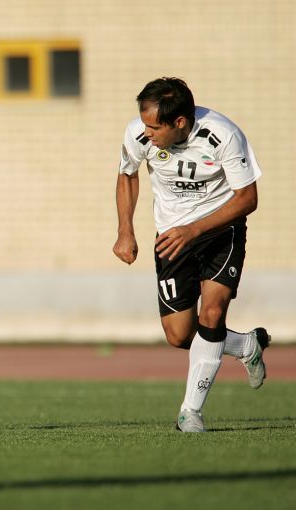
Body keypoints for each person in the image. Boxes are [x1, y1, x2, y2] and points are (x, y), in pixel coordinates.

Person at [113, 77, 270, 432]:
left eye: (155, 128)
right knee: (180, 335)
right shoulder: (138, 133)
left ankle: (190, 412)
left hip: (221, 232)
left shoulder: (224, 135)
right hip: (172, 237)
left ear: (180, 122)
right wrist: (125, 230)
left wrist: (195, 229)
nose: (147, 133)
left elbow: (248, 199)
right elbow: (127, 174)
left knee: (212, 314)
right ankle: (245, 345)